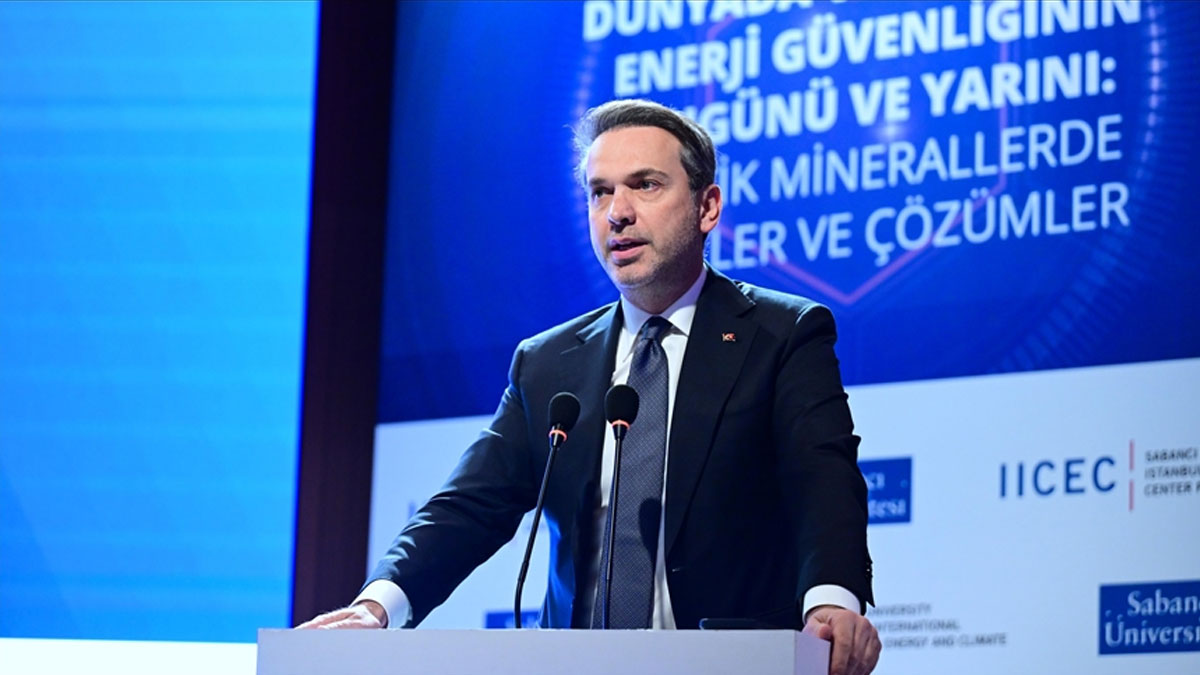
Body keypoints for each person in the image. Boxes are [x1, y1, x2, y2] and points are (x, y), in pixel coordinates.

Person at [299, 99, 881, 675]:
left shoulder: (782, 335)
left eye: (645, 185)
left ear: (707, 207)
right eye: (600, 193)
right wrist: (378, 606)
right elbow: (470, 505)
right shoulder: (547, 363)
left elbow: (822, 481)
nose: (617, 213)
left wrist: (832, 602)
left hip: (732, 664)